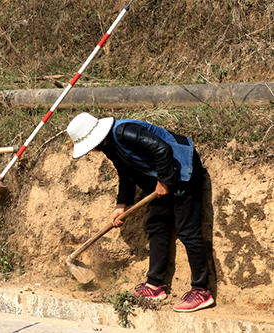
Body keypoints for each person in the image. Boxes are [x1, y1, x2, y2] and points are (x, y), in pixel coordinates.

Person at [66, 112, 214, 312]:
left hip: (183, 171)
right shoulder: (109, 146)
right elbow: (126, 174)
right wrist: (121, 206)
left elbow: (163, 149)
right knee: (157, 224)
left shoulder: (125, 131)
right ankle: (154, 286)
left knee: (188, 231)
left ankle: (201, 291)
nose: (90, 151)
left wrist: (163, 181)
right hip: (165, 177)